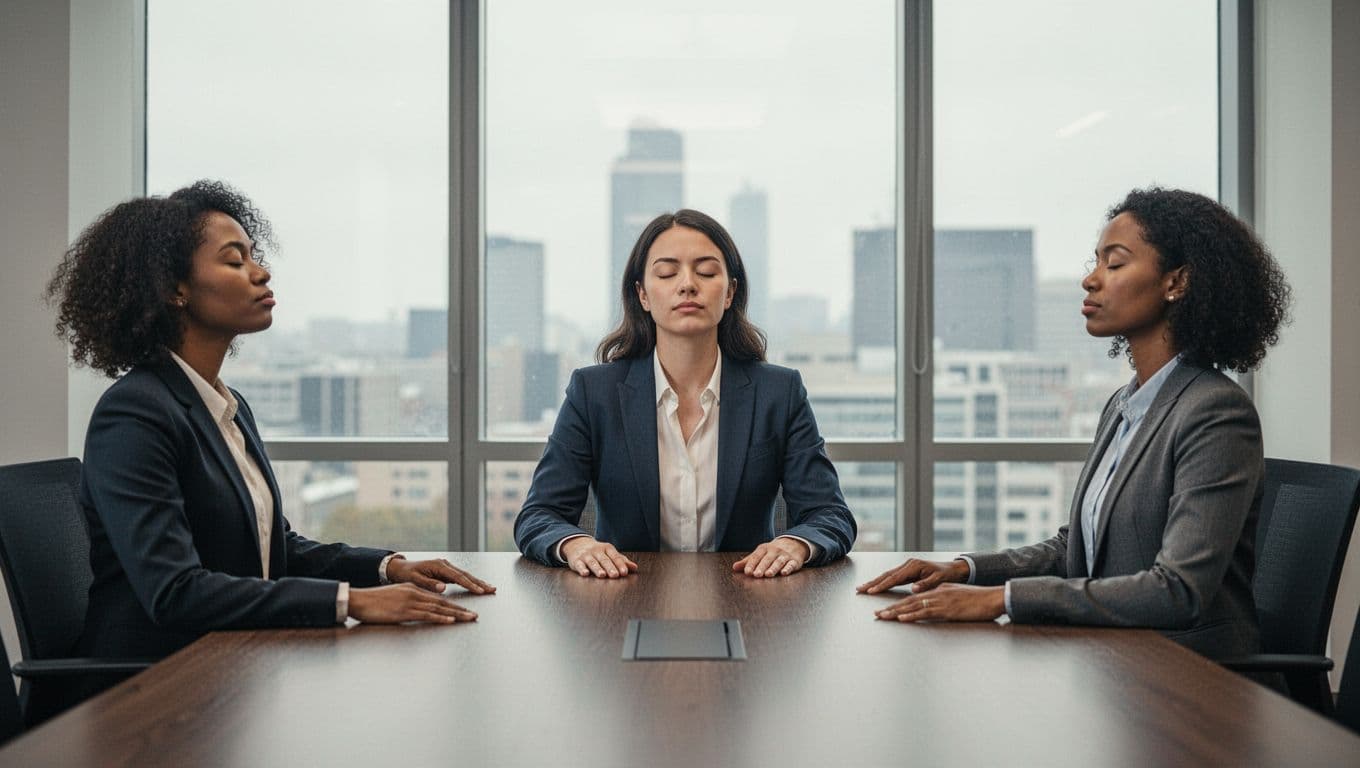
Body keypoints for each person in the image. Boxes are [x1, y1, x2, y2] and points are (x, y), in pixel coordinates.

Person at [48, 181, 496, 666]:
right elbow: (175, 591)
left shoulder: (223, 404)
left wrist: (388, 568)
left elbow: (275, 548)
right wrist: (352, 602)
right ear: (174, 289)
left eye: (254, 257)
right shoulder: (135, 413)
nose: (261, 273)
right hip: (148, 688)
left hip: (232, 663)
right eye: (234, 260)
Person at [857, 187, 1291, 660]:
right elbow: (1076, 550)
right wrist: (965, 570)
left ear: (1177, 282)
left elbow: (1177, 590)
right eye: (1096, 261)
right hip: (1116, 660)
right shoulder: (1125, 405)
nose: (1090, 279)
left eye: (1115, 263)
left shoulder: (1215, 412)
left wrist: (1000, 601)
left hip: (1192, 678)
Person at [514, 209, 856, 578]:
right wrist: (576, 544)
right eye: (666, 272)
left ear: (730, 293)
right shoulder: (594, 393)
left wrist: (796, 543)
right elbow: (538, 515)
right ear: (643, 294)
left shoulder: (779, 392)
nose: (687, 284)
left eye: (707, 272)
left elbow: (830, 514)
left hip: (748, 599)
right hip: (623, 597)